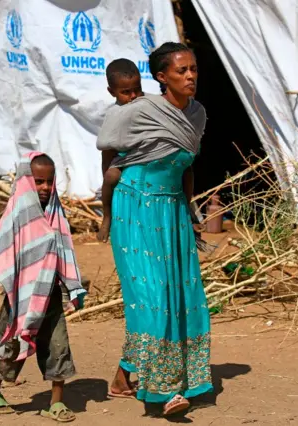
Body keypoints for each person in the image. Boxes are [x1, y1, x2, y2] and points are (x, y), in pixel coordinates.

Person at [96, 42, 213, 416]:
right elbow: (108, 151)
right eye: (182, 71)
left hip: (173, 211)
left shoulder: (197, 114)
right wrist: (108, 209)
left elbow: (186, 165)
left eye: (193, 68)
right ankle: (162, 391)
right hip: (137, 207)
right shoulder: (139, 110)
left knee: (180, 296)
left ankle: (122, 380)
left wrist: (191, 211)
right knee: (152, 297)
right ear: (161, 77)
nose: (190, 76)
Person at [0, 152, 87, 423]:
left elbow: (64, 249)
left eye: (49, 182)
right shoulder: (18, 213)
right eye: (39, 182)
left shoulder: (55, 213)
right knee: (12, 342)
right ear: (27, 180)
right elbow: (3, 247)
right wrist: (16, 282)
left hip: (51, 293)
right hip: (21, 295)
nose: (46, 188)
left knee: (58, 346)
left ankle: (56, 402)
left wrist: (72, 284)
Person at [97, 59, 144, 243]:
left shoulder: (148, 105)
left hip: (147, 156)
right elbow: (106, 148)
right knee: (111, 177)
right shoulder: (113, 114)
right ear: (111, 92)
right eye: (126, 92)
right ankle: (107, 216)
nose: (133, 96)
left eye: (136, 89)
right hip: (122, 158)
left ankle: (190, 212)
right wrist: (107, 171)